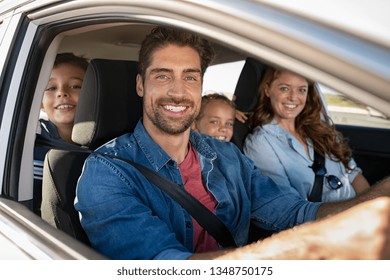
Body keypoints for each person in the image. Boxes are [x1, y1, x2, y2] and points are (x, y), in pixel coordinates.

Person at [75, 26, 390, 260]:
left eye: (190, 77)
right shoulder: (107, 173)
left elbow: (296, 213)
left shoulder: (228, 157)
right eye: (162, 75)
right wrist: (313, 247)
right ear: (141, 84)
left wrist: (377, 199)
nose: (177, 91)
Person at [243, 67, 370, 203]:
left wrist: (370, 205)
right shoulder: (261, 143)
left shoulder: (320, 129)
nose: (293, 97)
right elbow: (287, 207)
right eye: (284, 88)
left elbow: (353, 174)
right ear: (267, 90)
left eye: (301, 90)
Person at [33, 53, 89, 215]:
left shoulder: (111, 143)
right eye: (51, 88)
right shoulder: (30, 141)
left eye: (75, 86)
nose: (62, 93)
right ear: (40, 102)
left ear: (93, 93)